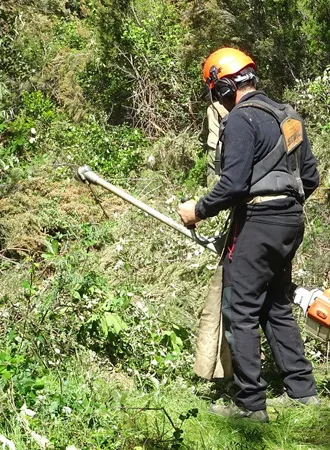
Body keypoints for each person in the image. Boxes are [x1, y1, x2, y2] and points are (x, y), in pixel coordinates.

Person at [178, 47, 320, 422]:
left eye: (216, 92)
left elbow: (233, 184)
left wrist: (198, 210)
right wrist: (285, 204)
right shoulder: (289, 117)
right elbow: (311, 178)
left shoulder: (242, 118)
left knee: (240, 309)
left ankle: (250, 406)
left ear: (224, 86)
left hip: (258, 222)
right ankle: (304, 392)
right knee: (275, 304)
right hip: (292, 221)